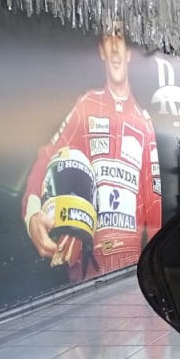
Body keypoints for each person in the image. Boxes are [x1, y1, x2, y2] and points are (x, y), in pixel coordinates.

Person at [22, 21, 160, 282]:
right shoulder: (87, 105)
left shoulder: (144, 123)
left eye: (120, 38)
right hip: (86, 267)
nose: (115, 47)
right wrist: (33, 215)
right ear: (101, 50)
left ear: (129, 53)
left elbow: (153, 204)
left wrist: (154, 268)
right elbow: (48, 157)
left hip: (130, 267)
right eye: (109, 38)